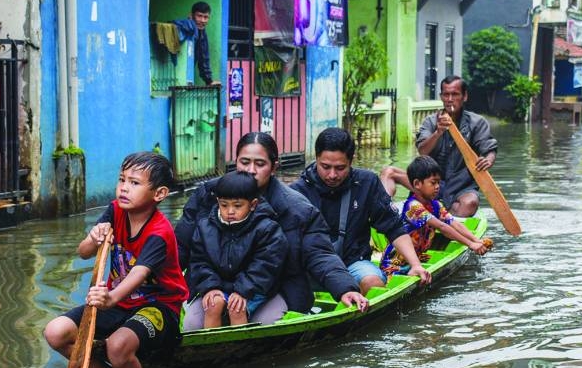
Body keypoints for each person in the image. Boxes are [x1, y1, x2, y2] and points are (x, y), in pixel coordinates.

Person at [175, 132, 368, 322]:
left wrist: (345, 288)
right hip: (214, 285)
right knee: (193, 324)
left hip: (275, 286)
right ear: (236, 162)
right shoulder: (208, 195)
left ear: (274, 167)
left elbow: (319, 253)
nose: (251, 170)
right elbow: (181, 247)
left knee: (265, 323)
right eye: (244, 162)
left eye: (260, 164)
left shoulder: (296, 208)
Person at [43, 152, 188, 368]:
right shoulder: (115, 211)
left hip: (158, 307)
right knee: (55, 332)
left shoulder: (159, 231)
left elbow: (139, 273)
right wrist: (94, 236)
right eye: (122, 180)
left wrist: (109, 298)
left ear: (160, 194)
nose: (124, 188)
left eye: (134, 183)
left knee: (117, 347)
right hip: (119, 303)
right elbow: (84, 252)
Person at [290, 127, 432, 295]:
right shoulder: (297, 191)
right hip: (311, 267)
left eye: (340, 168)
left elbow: (393, 227)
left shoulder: (367, 182)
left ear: (352, 160)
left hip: (353, 263)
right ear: (316, 158)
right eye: (325, 167)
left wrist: (415, 265)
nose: (332, 175)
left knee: (373, 283)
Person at [379, 75, 498, 217]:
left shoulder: (477, 123)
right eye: (446, 94)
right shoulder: (430, 121)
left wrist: (488, 160)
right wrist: (438, 132)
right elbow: (422, 151)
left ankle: (444, 219)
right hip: (427, 184)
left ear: (464, 96)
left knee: (470, 203)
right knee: (388, 172)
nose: (450, 99)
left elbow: (489, 149)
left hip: (461, 186)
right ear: (441, 97)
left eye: (455, 94)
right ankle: (384, 214)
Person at [183, 171, 288, 329]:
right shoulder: (205, 227)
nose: (230, 211)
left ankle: (240, 349)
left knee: (236, 309)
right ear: (217, 201)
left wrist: (242, 291)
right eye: (224, 205)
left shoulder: (267, 229)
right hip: (218, 286)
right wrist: (211, 287)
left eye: (237, 206)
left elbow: (266, 266)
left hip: (253, 290)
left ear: (253, 205)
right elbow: (199, 262)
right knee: (213, 305)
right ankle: (211, 349)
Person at [380, 156, 489, 278]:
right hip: (395, 264)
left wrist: (475, 240)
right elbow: (442, 227)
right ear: (417, 184)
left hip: (418, 258)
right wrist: (470, 244)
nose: (437, 187)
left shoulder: (435, 205)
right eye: (433, 182)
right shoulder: (413, 207)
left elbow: (454, 223)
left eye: (438, 182)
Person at [173, 1, 220, 86]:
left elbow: (204, 59)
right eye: (199, 16)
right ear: (191, 15)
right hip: (171, 72)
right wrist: (190, 24)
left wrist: (209, 81)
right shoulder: (186, 24)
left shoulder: (202, 34)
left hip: (185, 77)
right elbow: (174, 24)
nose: (202, 20)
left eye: (206, 17)